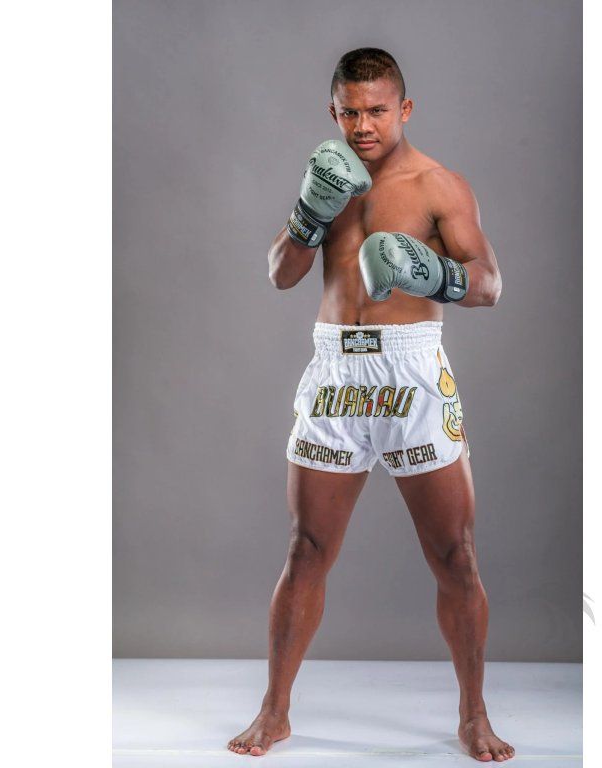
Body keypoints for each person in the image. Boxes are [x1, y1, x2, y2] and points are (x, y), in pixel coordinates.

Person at [227, 48, 511, 762]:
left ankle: (474, 715)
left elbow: (488, 283)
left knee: (454, 554)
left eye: (377, 110)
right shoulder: (329, 177)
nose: (363, 126)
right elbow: (280, 274)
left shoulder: (438, 185)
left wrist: (436, 274)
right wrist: (307, 215)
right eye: (350, 112)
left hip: (411, 371)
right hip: (334, 373)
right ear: (333, 111)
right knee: (307, 548)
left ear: (403, 109)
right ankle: (275, 712)